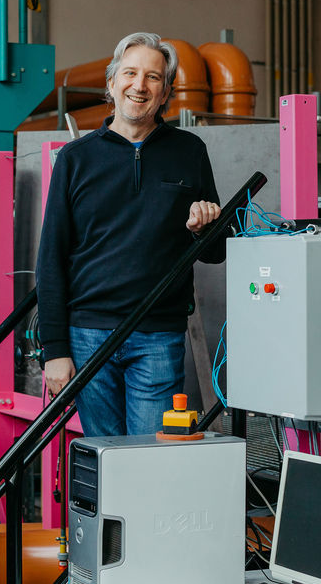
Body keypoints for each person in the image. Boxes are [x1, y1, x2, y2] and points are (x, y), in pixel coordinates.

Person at [35, 31, 224, 437]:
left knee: (148, 461)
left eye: (153, 77)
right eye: (130, 73)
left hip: (158, 335)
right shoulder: (75, 159)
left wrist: (201, 229)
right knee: (105, 459)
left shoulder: (189, 151)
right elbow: (51, 257)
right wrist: (55, 350)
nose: (140, 86)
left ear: (166, 91)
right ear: (111, 83)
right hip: (86, 335)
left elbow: (216, 253)